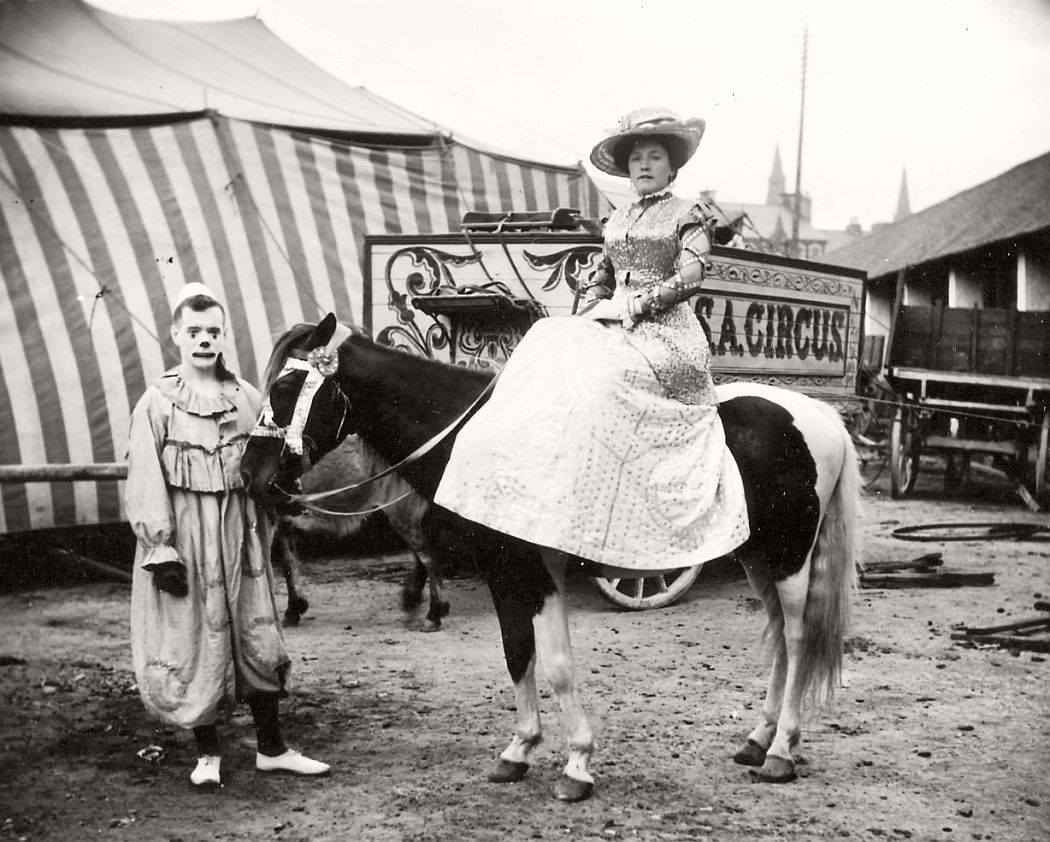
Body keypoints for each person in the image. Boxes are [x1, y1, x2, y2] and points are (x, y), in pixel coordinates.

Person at [434, 108, 750, 569]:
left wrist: (635, 306)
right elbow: (602, 278)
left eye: (654, 156)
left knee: (604, 379)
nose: (643, 165)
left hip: (666, 335)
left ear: (672, 166)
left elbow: (690, 276)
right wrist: (589, 305)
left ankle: (624, 491)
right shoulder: (617, 218)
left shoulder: (688, 214)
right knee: (549, 341)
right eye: (637, 158)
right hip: (614, 322)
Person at [125, 282, 329, 787]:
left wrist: (281, 490)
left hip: (242, 533)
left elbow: (271, 459)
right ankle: (208, 756)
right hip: (188, 540)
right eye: (193, 331)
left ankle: (272, 748)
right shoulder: (156, 403)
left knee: (256, 632)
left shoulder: (247, 398)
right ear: (176, 334)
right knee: (197, 637)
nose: (203, 340)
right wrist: (161, 549)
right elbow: (146, 479)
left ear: (223, 335)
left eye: (212, 331)